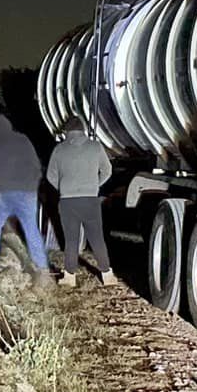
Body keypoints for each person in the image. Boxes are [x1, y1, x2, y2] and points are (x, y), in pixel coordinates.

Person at [0, 104, 50, 285]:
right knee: (31, 228)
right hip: (27, 192)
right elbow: (35, 165)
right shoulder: (23, 140)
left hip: (3, 192)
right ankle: (42, 268)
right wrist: (33, 184)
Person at [45, 117, 116, 288]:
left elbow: (50, 176)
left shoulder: (59, 149)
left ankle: (70, 276)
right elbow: (107, 170)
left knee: (71, 239)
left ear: (67, 132)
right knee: (97, 238)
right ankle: (107, 275)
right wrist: (94, 186)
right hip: (90, 200)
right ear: (83, 130)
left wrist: (63, 188)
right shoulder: (95, 147)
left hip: (68, 201)